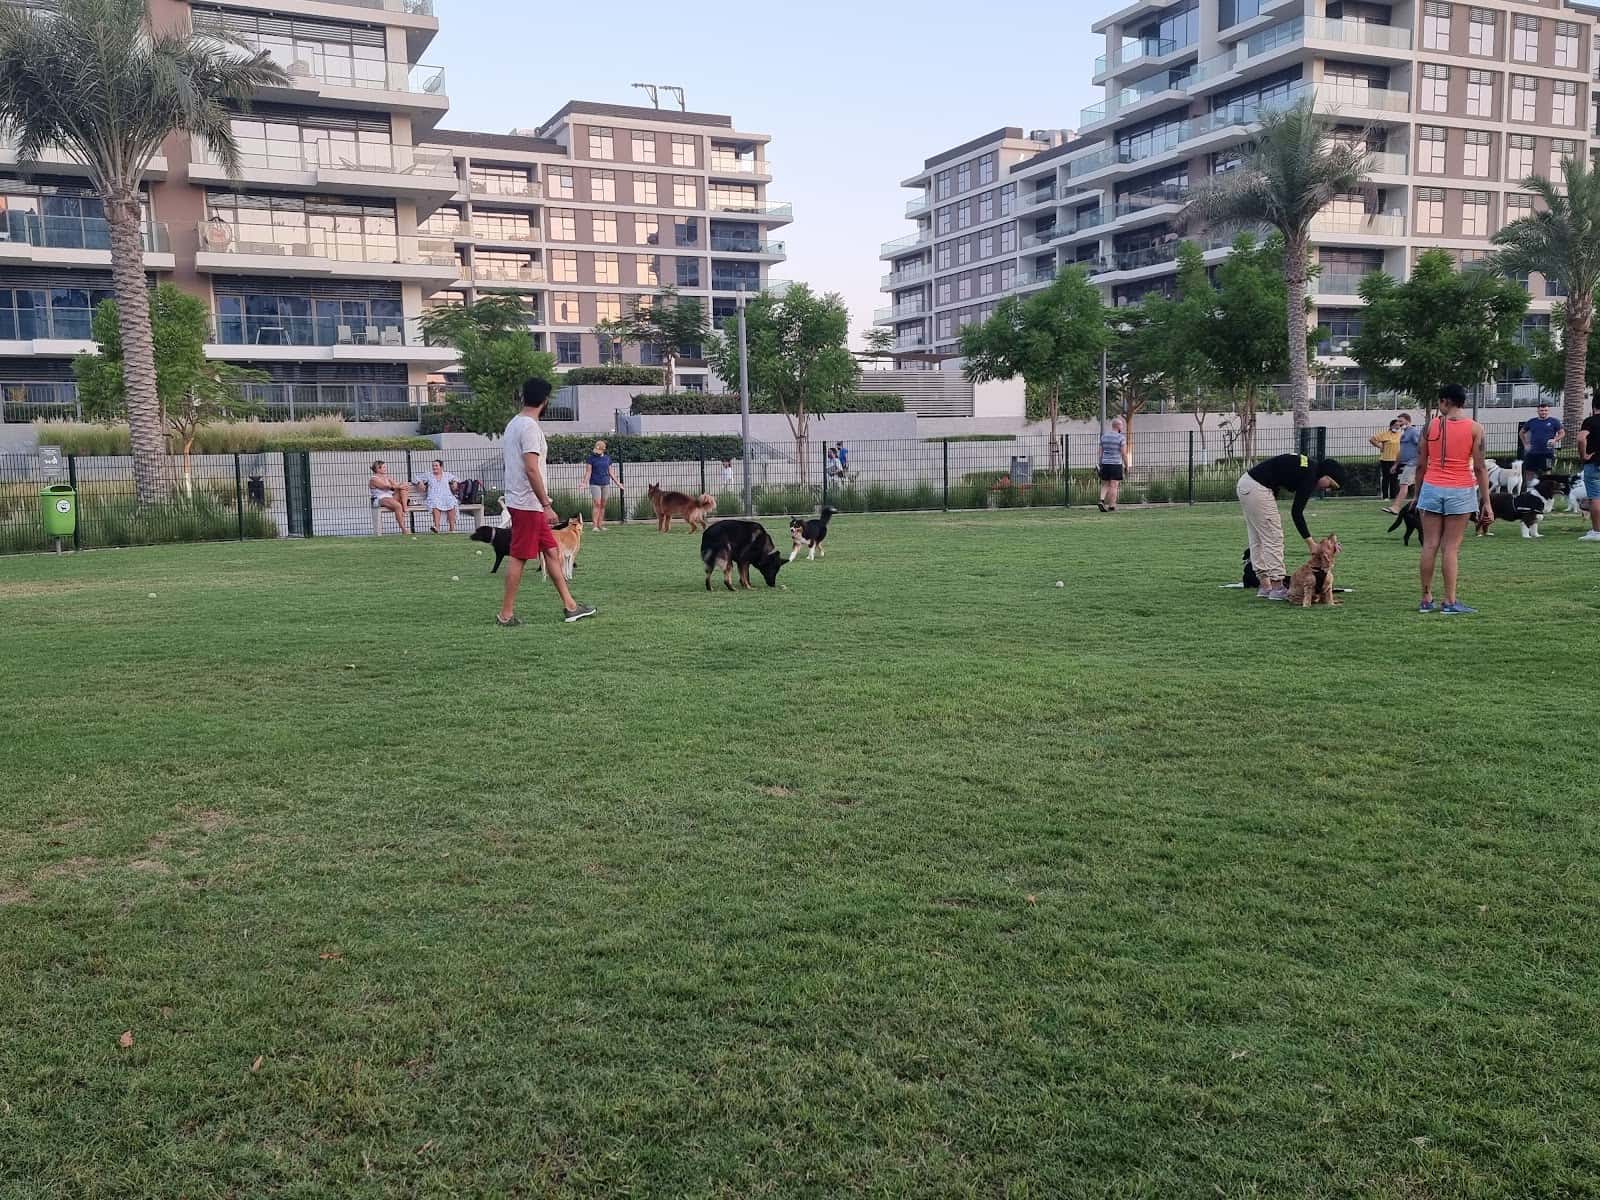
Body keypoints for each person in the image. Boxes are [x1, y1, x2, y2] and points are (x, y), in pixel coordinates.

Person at [497, 378, 595, 626]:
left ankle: (571, 606)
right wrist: (546, 504)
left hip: (523, 502)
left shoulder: (514, 424)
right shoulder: (529, 427)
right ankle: (505, 615)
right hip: (527, 504)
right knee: (519, 556)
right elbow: (531, 469)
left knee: (552, 552)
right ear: (545, 400)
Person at [1414, 384, 1493, 615]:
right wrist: (1486, 501)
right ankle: (1449, 601)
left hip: (1431, 487)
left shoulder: (1430, 426)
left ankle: (1426, 599)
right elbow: (1480, 468)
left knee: (1429, 545)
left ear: (1445, 402)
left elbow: (1420, 464)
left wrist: (1418, 493)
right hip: (1460, 489)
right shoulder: (1475, 428)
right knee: (1451, 548)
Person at [1235, 452, 1346, 600]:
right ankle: (1277, 587)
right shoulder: (1311, 475)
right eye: (1331, 485)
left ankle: (1265, 586)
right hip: (1258, 488)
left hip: (1246, 483)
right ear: (1326, 476)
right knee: (1273, 537)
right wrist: (1311, 543)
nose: (1328, 489)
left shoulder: (1308, 467)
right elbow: (1296, 512)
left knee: (1258, 538)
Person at [582, 439, 622, 532]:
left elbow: (611, 472)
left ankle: (600, 525)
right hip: (595, 483)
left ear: (604, 449)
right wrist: (584, 483)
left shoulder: (607, 459)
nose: (598, 452)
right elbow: (588, 472)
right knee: (597, 504)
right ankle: (595, 526)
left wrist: (618, 483)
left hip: (605, 483)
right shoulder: (591, 458)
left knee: (603, 505)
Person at [1521, 401, 1564, 486]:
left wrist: (1555, 439)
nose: (1543, 412)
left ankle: (1546, 488)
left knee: (1547, 471)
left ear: (1548, 411)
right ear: (1538, 411)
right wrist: (1525, 444)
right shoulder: (1532, 422)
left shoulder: (1554, 421)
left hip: (1547, 453)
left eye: (1545, 410)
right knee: (1529, 471)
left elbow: (1562, 433)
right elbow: (1521, 432)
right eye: (1541, 410)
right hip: (1532, 453)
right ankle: (1529, 488)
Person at [1389, 412, 1421, 513]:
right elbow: (1401, 451)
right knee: (1415, 485)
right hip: (1407, 463)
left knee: (1403, 484)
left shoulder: (1413, 432)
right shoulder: (1404, 433)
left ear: (1408, 420)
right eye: (1398, 421)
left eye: (1400, 421)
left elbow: (1422, 446)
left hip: (1412, 463)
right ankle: (1418, 506)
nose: (1398, 423)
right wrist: (1396, 464)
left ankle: (1396, 507)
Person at [368, 460, 411, 534]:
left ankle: (405, 506)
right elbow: (385, 486)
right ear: (378, 469)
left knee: (403, 485)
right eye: (384, 467)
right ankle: (404, 529)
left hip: (390, 497)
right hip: (380, 499)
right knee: (398, 506)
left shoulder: (387, 477)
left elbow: (396, 484)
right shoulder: (373, 479)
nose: (386, 469)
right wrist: (398, 486)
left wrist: (402, 485)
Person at [1578, 395, 1600, 542]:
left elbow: (1581, 438)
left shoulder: (1590, 421)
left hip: (1595, 464)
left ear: (1593, 406)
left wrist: (1584, 454)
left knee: (1596, 497)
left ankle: (1597, 531)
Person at [418, 459, 459, 533]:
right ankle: (437, 527)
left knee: (451, 502)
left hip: (446, 495)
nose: (434, 467)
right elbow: (417, 478)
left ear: (441, 467)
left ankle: (452, 528)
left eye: (436, 466)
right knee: (435, 502)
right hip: (434, 495)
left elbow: (455, 478)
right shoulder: (428, 475)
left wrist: (455, 482)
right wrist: (420, 482)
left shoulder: (446, 475)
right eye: (433, 466)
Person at [1097, 417, 1129, 512]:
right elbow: (1123, 453)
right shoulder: (1121, 438)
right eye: (1122, 425)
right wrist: (1127, 465)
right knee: (1114, 485)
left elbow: (1100, 452)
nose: (1122, 427)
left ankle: (1101, 500)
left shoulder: (1104, 436)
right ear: (1118, 426)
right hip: (1115, 464)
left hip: (1105, 463)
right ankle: (1112, 505)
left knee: (1105, 484)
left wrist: (1100, 463)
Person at [1370, 419, 1401, 503]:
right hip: (1386, 459)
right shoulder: (1385, 434)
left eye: (1399, 425)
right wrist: (1380, 446)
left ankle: (1393, 496)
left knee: (1394, 479)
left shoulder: (1400, 435)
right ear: (1391, 426)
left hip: (1396, 460)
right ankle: (1385, 496)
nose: (1398, 427)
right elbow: (1372, 439)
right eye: (1396, 425)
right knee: (1386, 478)